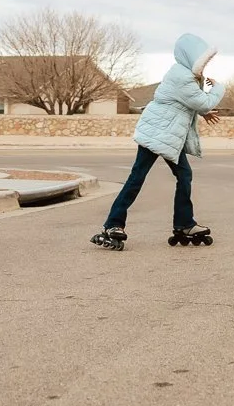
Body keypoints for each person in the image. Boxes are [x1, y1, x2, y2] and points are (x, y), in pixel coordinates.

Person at [92, 34, 225, 250]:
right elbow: (202, 101)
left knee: (183, 175)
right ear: (192, 57)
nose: (205, 65)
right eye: (203, 60)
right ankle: (113, 224)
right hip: (156, 133)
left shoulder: (187, 76)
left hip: (169, 136)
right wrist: (218, 89)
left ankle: (185, 224)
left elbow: (184, 103)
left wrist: (203, 112)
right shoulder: (182, 77)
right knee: (137, 177)